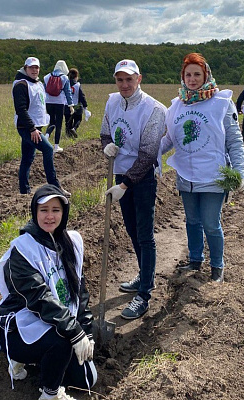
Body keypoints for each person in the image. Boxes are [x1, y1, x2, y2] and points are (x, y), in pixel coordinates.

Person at [0, 184, 97, 400]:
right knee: (61, 341)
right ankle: (49, 393)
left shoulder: (71, 243)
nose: (50, 216)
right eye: (44, 210)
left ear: (64, 213)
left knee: (86, 379)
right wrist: (74, 332)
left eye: (56, 210)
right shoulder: (22, 251)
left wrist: (86, 331)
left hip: (54, 321)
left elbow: (80, 293)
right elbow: (40, 299)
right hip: (21, 328)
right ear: (35, 212)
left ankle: (48, 360)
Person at [160, 52, 244, 283]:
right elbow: (169, 138)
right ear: (182, 77)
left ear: (205, 75)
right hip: (186, 176)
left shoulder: (221, 103)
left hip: (213, 175)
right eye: (188, 75)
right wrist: (149, 153)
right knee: (191, 221)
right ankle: (195, 258)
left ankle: (217, 266)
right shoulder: (177, 105)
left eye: (196, 74)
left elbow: (234, 140)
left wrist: (241, 173)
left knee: (210, 222)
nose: (192, 79)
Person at [100, 59, 167, 320]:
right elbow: (105, 132)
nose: (124, 84)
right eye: (120, 79)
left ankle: (145, 294)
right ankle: (143, 274)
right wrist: (107, 146)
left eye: (129, 79)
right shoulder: (112, 101)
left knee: (144, 234)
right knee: (130, 229)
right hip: (120, 175)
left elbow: (148, 154)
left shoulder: (154, 109)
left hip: (141, 178)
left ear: (139, 79)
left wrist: (124, 185)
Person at [12, 56, 70, 196]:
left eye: (36, 67)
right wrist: (32, 129)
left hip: (36, 126)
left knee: (27, 158)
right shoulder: (21, 85)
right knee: (48, 149)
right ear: (25, 68)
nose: (34, 70)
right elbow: (21, 109)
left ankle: (24, 191)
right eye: (31, 67)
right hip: (27, 127)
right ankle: (55, 186)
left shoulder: (37, 83)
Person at [44, 60, 75, 153]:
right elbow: (68, 92)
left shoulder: (46, 77)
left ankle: (46, 136)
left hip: (48, 102)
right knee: (59, 124)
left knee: (51, 121)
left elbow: (43, 90)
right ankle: (56, 146)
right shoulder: (64, 78)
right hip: (59, 103)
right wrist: (71, 105)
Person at [64, 68, 88, 138]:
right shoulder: (77, 85)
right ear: (76, 76)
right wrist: (85, 105)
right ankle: (74, 128)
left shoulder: (65, 84)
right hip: (77, 105)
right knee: (78, 119)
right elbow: (81, 96)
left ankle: (68, 134)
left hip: (67, 105)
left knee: (68, 121)